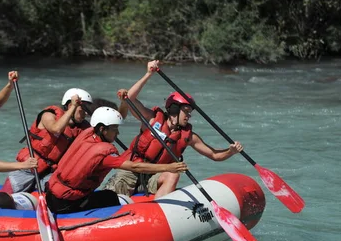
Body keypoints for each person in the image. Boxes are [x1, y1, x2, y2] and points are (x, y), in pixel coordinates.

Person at [104, 60, 244, 198]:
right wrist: (148, 74)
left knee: (173, 174)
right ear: (175, 110)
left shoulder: (188, 136)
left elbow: (214, 155)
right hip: (132, 170)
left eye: (190, 112)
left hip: (155, 176)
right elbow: (130, 98)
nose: (189, 116)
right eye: (187, 111)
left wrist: (230, 152)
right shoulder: (151, 119)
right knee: (107, 198)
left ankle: (158, 211)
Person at [45, 106, 187, 214]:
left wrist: (123, 102)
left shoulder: (87, 134)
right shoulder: (104, 155)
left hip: (51, 194)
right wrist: (168, 168)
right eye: (114, 129)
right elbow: (135, 167)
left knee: (106, 195)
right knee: (110, 198)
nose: (117, 133)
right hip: (66, 203)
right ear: (102, 129)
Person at [2, 88, 94, 194]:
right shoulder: (49, 115)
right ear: (70, 106)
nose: (85, 113)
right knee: (5, 196)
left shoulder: (82, 128)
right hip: (28, 167)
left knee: (54, 196)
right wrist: (74, 106)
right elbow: (56, 129)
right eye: (82, 109)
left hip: (50, 172)